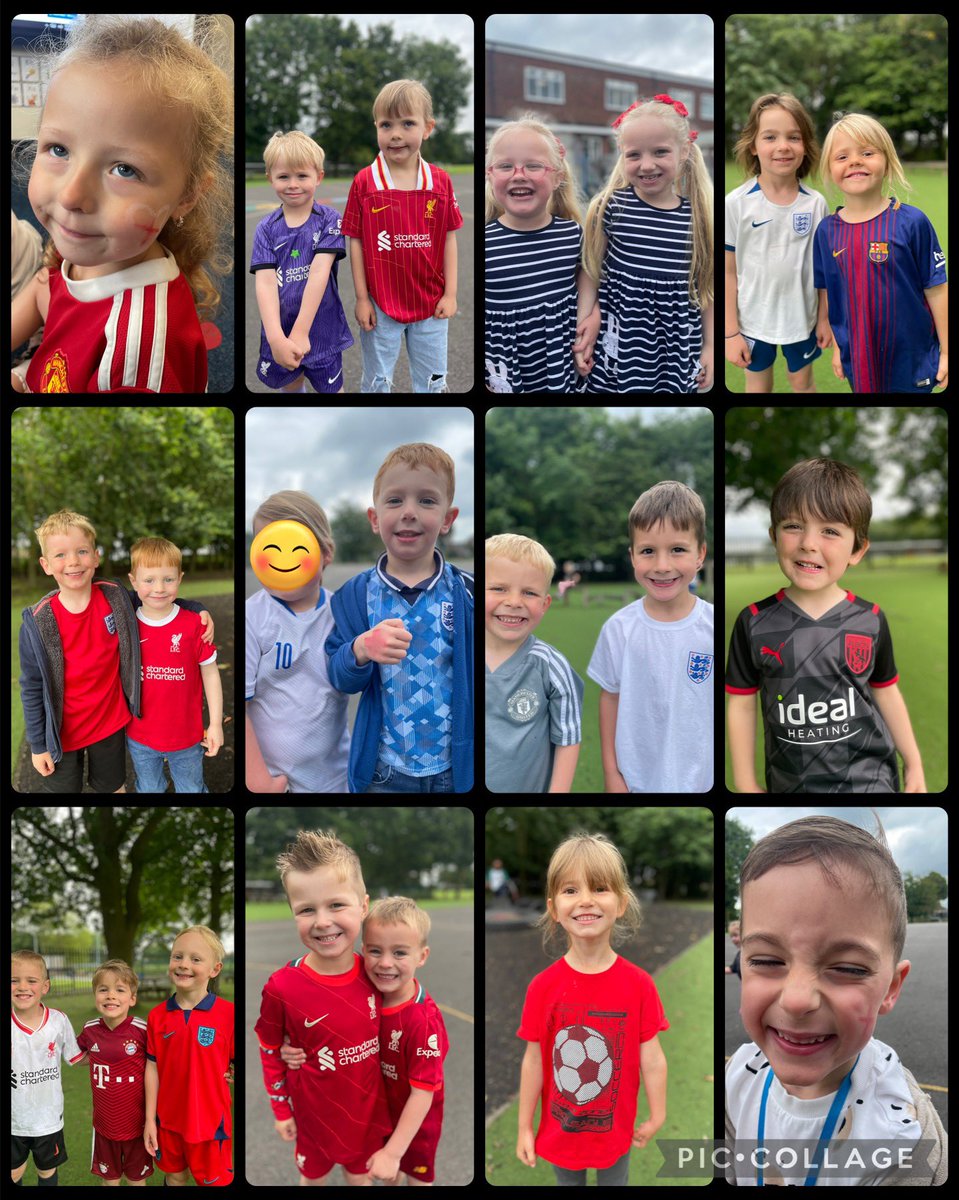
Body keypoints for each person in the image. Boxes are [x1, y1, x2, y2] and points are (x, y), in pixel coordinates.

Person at [11, 15, 231, 393]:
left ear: (187, 196)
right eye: (59, 149)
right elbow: (46, 287)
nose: (71, 196)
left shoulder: (136, 358)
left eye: (124, 170)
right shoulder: (92, 246)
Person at [725, 813, 947, 1185]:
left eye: (847, 968)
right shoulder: (737, 1078)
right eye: (766, 961)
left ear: (891, 989)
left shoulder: (906, 1137)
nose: (797, 1001)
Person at [726, 457, 926, 792]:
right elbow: (741, 704)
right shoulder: (754, 621)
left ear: (857, 550)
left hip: (870, 780)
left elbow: (886, 690)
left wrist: (914, 762)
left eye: (830, 531)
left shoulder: (870, 618)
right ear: (774, 536)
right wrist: (746, 783)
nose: (808, 543)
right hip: (792, 785)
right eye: (793, 526)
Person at [516, 832, 669, 1186]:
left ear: (621, 903)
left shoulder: (639, 984)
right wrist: (524, 1126)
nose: (585, 900)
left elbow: (653, 1058)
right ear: (553, 908)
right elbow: (534, 1060)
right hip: (560, 1134)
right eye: (571, 890)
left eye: (600, 888)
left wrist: (658, 1114)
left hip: (615, 1132)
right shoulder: (542, 987)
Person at [326, 443, 473, 793]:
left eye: (426, 500)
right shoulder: (355, 595)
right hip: (383, 772)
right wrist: (361, 649)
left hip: (454, 771)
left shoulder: (467, 592)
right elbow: (339, 675)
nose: (409, 512)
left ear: (448, 519)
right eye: (394, 500)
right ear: (374, 519)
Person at [255, 830, 391, 1185]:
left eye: (336, 905)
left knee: (361, 1180)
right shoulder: (281, 987)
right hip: (312, 1119)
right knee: (312, 1180)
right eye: (306, 910)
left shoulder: (379, 974)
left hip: (367, 1115)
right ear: (292, 913)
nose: (322, 921)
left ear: (363, 905)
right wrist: (281, 1109)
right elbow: (269, 1049)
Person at [588, 481, 713, 791]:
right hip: (637, 782)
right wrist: (612, 773)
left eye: (677, 549)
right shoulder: (619, 628)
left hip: (701, 781)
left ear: (700, 554)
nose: (662, 566)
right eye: (648, 551)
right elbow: (610, 698)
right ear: (632, 556)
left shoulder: (713, 626)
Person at [342, 79, 462, 393]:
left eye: (407, 123)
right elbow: (356, 241)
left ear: (428, 128)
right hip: (381, 304)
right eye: (386, 125)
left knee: (433, 383)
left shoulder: (440, 182)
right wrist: (362, 299)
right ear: (376, 128)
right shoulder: (365, 182)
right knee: (378, 382)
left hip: (431, 304)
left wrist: (450, 294)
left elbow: (449, 238)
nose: (395, 134)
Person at [814, 113, 947, 393]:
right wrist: (838, 348)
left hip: (913, 358)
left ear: (887, 162)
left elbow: (937, 289)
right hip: (858, 358)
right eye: (842, 157)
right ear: (829, 169)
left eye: (867, 153)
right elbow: (831, 293)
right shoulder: (826, 231)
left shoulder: (912, 222)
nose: (855, 161)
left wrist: (947, 351)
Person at [245, 491, 350, 793]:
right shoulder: (253, 616)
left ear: (325, 553)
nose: (282, 559)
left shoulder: (342, 612)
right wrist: (258, 780)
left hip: (337, 776)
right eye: (268, 546)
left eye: (294, 546)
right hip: (278, 780)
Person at [725, 92, 829, 393]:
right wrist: (730, 333)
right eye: (770, 137)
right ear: (753, 146)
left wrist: (824, 319)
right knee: (758, 388)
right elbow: (727, 273)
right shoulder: (736, 203)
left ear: (805, 145)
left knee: (802, 383)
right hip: (753, 323)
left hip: (803, 320)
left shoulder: (816, 204)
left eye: (793, 137)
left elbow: (823, 271)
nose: (783, 146)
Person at [250, 130, 353, 393]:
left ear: (318, 177)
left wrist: (301, 331)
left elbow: (319, 272)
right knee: (291, 387)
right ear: (270, 178)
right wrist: (276, 339)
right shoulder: (266, 229)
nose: (293, 184)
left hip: (321, 329)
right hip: (281, 329)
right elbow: (265, 284)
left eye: (302, 176)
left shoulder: (329, 219)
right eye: (283, 176)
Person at [485, 533, 583, 792]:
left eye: (529, 593)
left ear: (545, 604)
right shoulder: (461, 656)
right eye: (499, 588)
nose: (514, 602)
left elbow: (568, 739)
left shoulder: (551, 667)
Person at [125, 537, 222, 792]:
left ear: (180, 578)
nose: (159, 588)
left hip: (186, 738)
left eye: (168, 579)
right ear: (133, 581)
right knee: (149, 789)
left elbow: (211, 674)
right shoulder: (126, 626)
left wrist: (215, 724)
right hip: (140, 737)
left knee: (191, 789)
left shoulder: (195, 624)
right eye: (149, 580)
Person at [144, 926, 234, 1187]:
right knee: (175, 1176)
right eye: (178, 956)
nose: (184, 964)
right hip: (168, 1122)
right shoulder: (157, 1016)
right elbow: (152, 1069)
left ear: (215, 969)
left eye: (195, 959)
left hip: (211, 1125)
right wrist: (150, 1120)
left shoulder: (229, 1014)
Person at [76, 959, 153, 1185]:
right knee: (110, 1181)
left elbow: (158, 1065)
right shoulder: (90, 1029)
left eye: (119, 990)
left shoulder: (142, 1030)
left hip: (137, 1126)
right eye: (103, 990)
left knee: (136, 1181)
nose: (111, 996)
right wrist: (96, 1058)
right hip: (104, 1126)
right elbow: (76, 1054)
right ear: (95, 996)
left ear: (132, 998)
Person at [11, 950, 83, 1186]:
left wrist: (109, 1052)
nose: (22, 987)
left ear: (45, 986)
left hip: (48, 1118)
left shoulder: (58, 1021)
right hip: (13, 1119)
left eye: (31, 980)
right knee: (14, 1173)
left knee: (47, 1171)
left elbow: (76, 1057)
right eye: (14, 980)